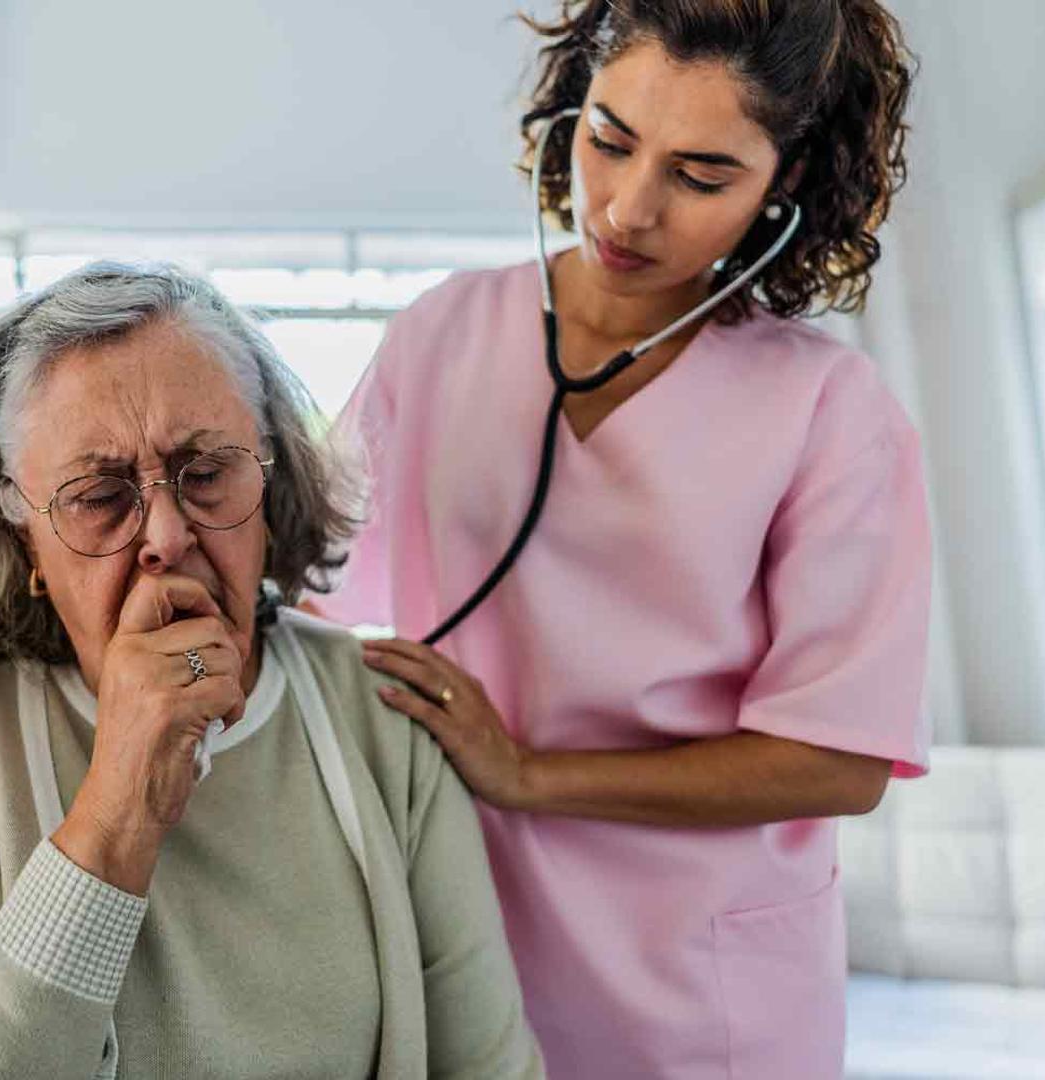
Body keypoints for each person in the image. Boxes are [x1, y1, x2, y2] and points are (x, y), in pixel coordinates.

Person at [312, 1, 930, 1076]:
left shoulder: (831, 410)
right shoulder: (442, 333)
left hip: (704, 992)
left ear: (783, 183)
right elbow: (304, 578)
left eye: (701, 176)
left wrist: (527, 774)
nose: (629, 208)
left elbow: (838, 760)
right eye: (609, 139)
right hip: (464, 937)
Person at [0, 262, 544, 1078]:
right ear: (21, 537)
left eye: (207, 475)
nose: (166, 536)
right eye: (99, 495)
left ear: (271, 484)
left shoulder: (385, 715)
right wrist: (117, 816)